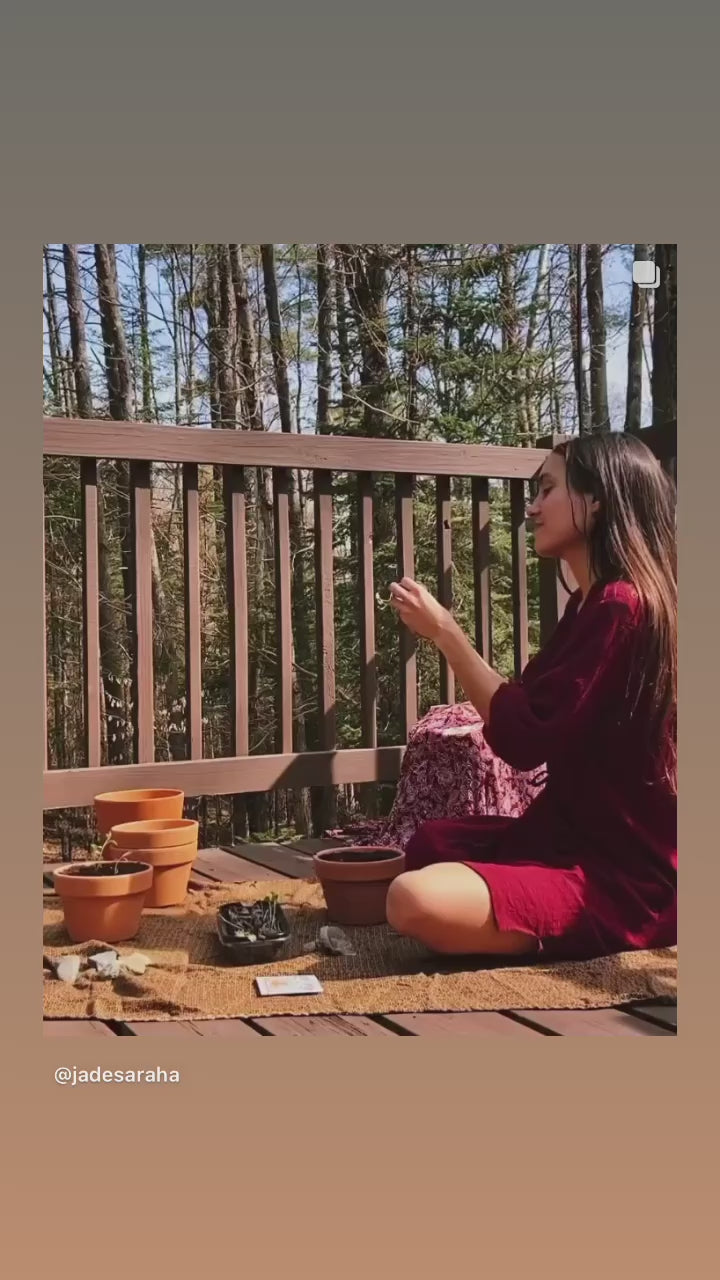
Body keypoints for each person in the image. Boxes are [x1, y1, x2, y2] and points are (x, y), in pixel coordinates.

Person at [386, 432, 677, 961]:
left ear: (596, 499)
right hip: (563, 835)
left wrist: (446, 633)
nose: (533, 508)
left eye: (547, 489)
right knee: (430, 844)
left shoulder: (621, 606)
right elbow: (524, 706)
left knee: (413, 900)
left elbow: (523, 738)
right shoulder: (588, 605)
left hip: (623, 876)